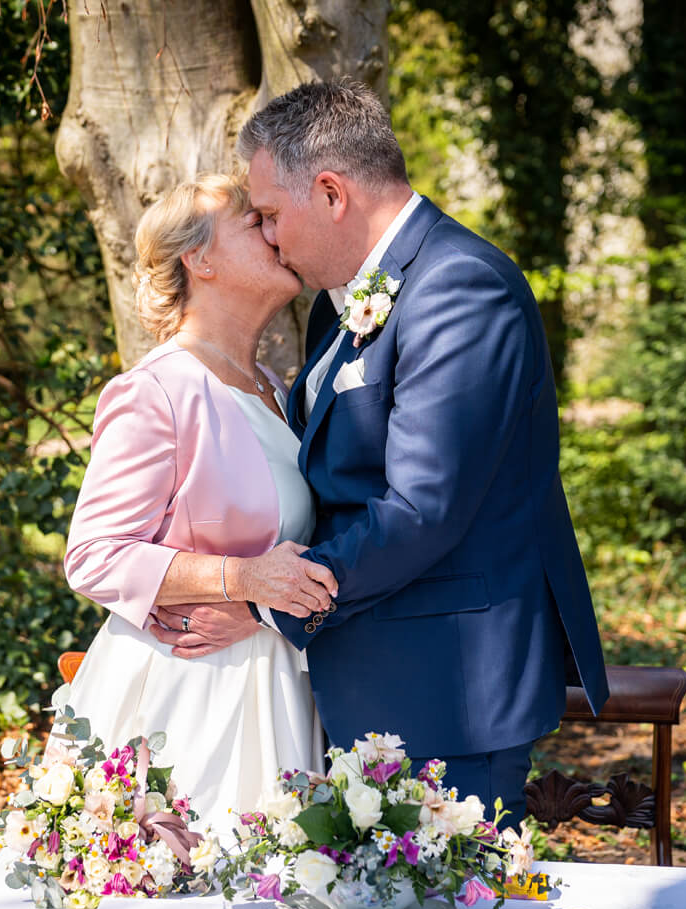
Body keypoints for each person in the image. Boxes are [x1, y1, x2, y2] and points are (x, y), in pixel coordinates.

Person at [155, 80, 610, 827]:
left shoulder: (459, 288)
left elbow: (421, 507)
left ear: (331, 193)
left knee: (451, 904)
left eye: (270, 214)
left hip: (449, 686)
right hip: (364, 672)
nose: (268, 236)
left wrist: (267, 601)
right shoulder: (338, 307)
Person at [62, 174, 338, 837]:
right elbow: (94, 556)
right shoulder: (155, 390)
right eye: (254, 222)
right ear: (200, 259)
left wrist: (261, 606)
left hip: (274, 685)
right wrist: (241, 579)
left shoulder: (275, 389)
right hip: (186, 696)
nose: (275, 231)